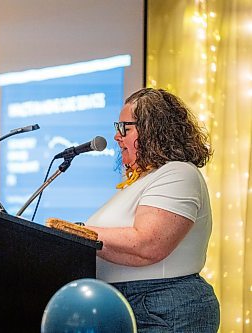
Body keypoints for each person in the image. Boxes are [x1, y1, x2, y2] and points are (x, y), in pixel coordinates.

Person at [85, 88, 220, 332]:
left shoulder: (179, 173)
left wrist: (78, 232)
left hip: (162, 306)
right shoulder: (144, 180)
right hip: (131, 305)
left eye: (124, 127)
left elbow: (148, 245)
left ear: (153, 129)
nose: (117, 137)